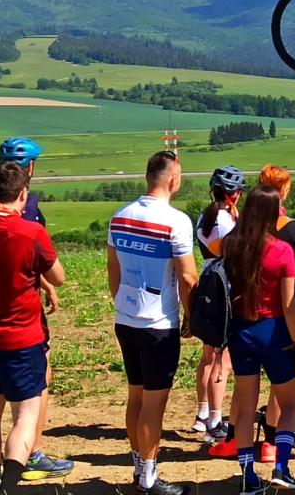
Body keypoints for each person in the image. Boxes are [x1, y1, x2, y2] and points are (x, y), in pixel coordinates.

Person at [0, 161, 65, 495]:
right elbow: (58, 276)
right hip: (20, 340)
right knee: (25, 416)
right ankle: (9, 486)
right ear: (23, 194)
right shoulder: (31, 232)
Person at [107, 151, 197, 495]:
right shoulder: (176, 221)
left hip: (126, 319)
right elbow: (187, 277)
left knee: (136, 396)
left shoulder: (120, 216)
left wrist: (120, 300)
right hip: (159, 323)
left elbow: (113, 267)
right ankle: (148, 477)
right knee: (154, 404)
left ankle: (138, 466)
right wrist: (191, 315)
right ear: (173, 179)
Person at [223, 186, 295, 493]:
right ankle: (281, 467)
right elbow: (288, 304)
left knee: (245, 408)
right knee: (287, 405)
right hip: (274, 332)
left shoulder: (231, 244)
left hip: (240, 332)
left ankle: (248, 476)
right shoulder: (282, 250)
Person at [193, 166, 245, 443]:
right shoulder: (227, 222)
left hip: (206, 282)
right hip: (224, 286)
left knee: (207, 355)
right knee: (223, 360)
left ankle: (202, 413)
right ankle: (215, 419)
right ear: (234, 194)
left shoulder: (205, 217)